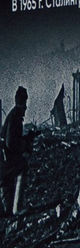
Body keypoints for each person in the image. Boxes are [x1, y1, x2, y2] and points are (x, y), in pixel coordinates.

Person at [3, 86, 27, 216]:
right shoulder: (14, 117)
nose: (26, 108)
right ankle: (17, 208)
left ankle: (11, 209)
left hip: (4, 161)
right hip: (5, 161)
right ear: (20, 103)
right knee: (22, 165)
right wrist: (23, 145)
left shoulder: (13, 116)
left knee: (6, 210)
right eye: (25, 104)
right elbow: (10, 143)